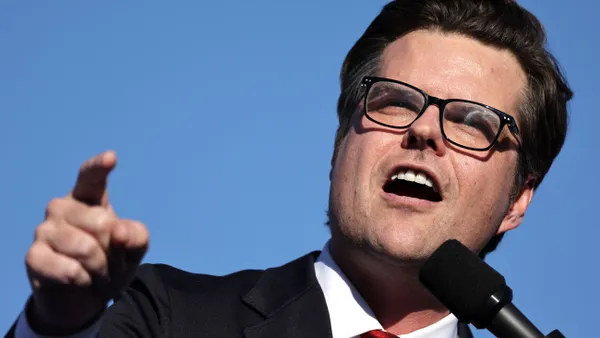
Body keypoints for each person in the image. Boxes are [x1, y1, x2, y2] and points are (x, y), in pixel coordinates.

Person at [7, 0, 573, 337]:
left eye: (472, 121)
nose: (422, 130)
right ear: (339, 144)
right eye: (395, 101)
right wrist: (60, 324)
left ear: (519, 199)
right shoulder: (169, 317)